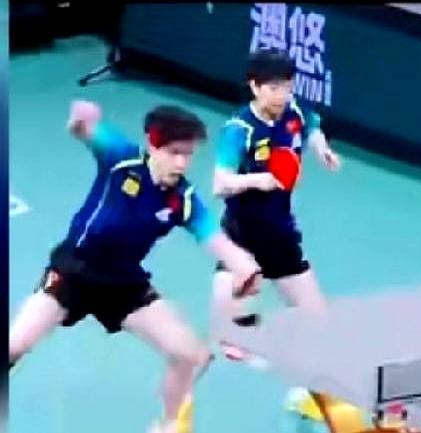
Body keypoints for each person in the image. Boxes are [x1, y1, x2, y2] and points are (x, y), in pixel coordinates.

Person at [9, 100, 262, 433]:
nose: (182, 163)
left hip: (123, 282)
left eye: (188, 155)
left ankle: (166, 427)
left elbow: (214, 238)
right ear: (152, 145)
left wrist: (243, 265)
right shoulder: (121, 158)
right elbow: (85, 129)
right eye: (174, 152)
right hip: (75, 270)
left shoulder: (182, 199)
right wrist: (81, 121)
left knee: (192, 356)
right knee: (14, 345)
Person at [210, 48, 341, 353]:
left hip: (279, 233)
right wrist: (258, 180)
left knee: (318, 322)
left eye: (287, 87)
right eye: (273, 88)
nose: (282, 95)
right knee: (228, 328)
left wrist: (321, 149)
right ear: (254, 86)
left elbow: (312, 127)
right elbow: (220, 184)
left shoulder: (294, 112)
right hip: (241, 234)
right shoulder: (239, 130)